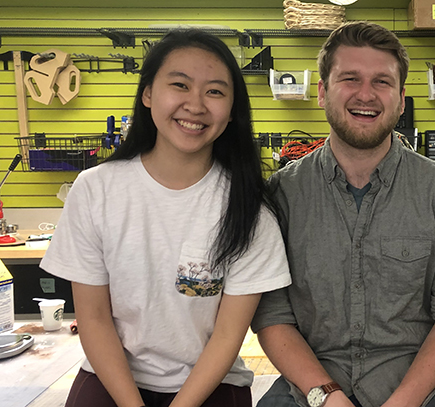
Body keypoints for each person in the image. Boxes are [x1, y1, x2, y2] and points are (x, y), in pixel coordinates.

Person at [40, 30, 291, 407]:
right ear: (148, 94)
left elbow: (227, 336)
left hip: (210, 382)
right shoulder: (96, 189)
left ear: (232, 110)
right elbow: (93, 318)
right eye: (179, 85)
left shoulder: (249, 206)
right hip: (112, 377)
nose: (195, 104)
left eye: (215, 91)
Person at [251, 21, 435, 407]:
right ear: (322, 92)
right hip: (311, 383)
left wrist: (402, 402)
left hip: (418, 384)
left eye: (382, 82)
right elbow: (273, 316)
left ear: (402, 98)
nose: (366, 95)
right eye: (350, 78)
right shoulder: (281, 196)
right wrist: (327, 396)